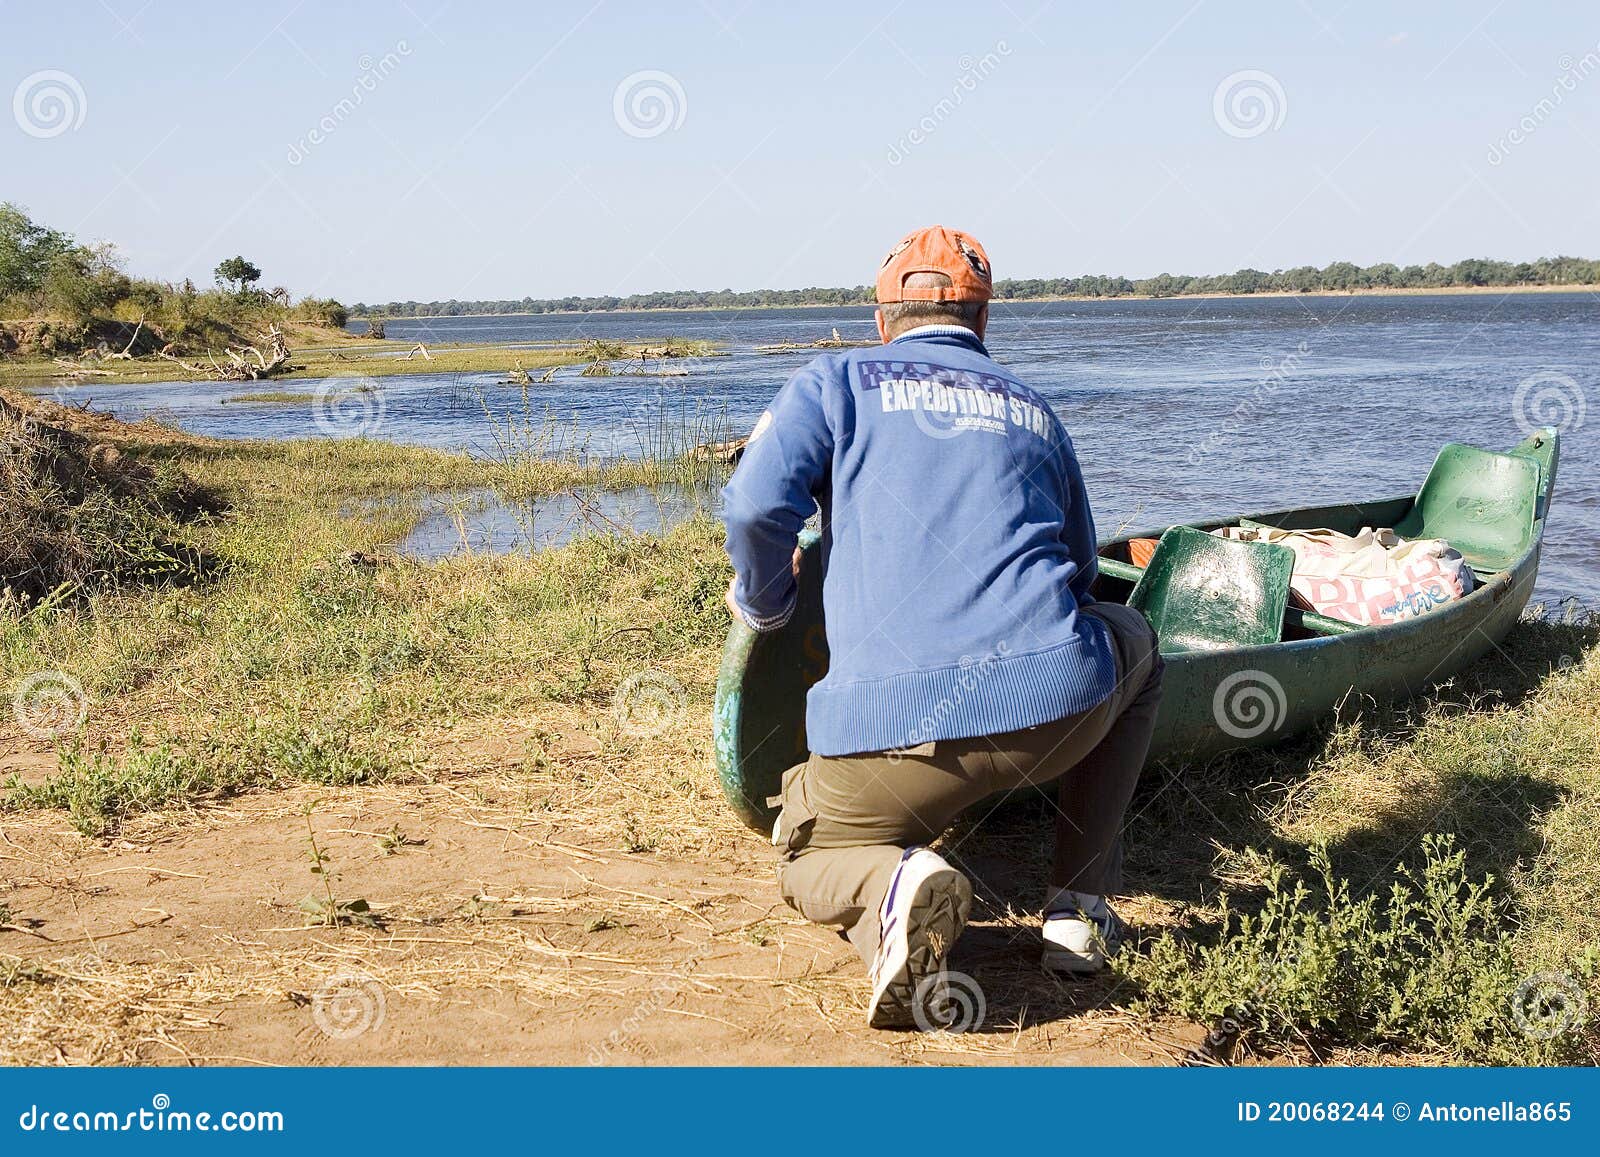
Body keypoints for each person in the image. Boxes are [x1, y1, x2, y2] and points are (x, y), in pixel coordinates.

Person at [720, 226, 1164, 1028]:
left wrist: (767, 605)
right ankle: (1076, 910)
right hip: (1054, 713)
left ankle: (886, 885)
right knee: (1135, 642)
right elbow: (1083, 576)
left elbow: (755, 505)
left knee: (803, 857)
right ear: (982, 322)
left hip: (889, 744)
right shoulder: (1034, 409)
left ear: (883, 320)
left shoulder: (836, 381)